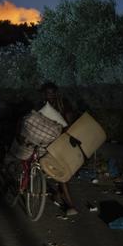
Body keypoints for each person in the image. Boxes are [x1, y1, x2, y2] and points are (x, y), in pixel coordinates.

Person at [41, 82, 79, 216]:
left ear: (56, 93)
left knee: (62, 175)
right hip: (55, 142)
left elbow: (69, 122)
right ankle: (58, 195)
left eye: (51, 93)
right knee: (60, 173)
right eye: (47, 93)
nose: (49, 95)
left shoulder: (62, 105)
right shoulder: (47, 106)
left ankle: (70, 205)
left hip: (62, 142)